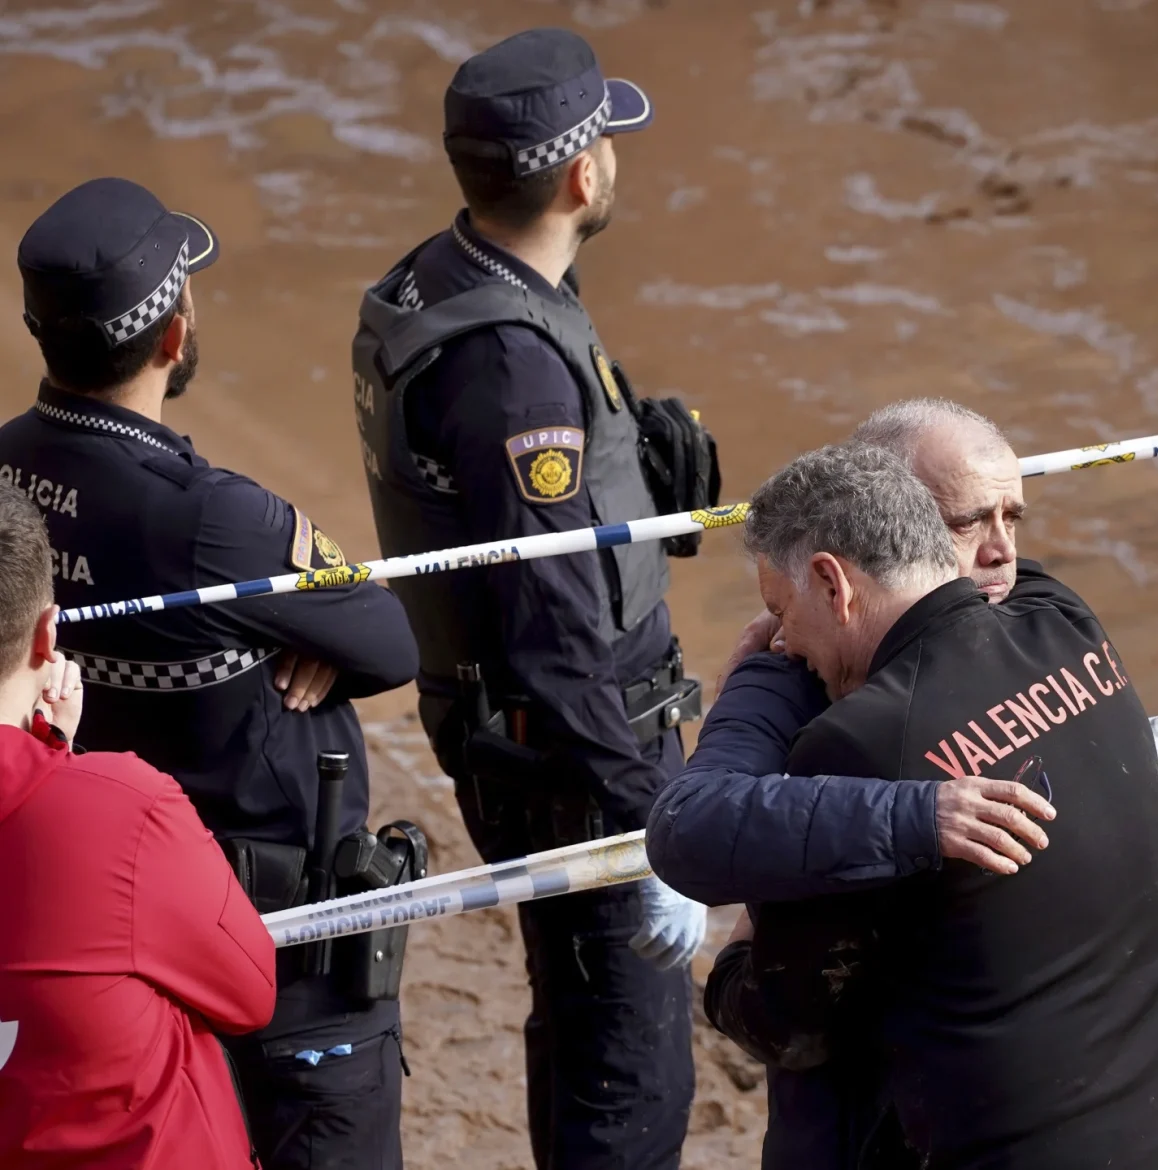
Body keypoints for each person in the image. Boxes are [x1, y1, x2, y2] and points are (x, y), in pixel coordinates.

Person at [0, 177, 421, 1170]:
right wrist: (286, 630)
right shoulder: (219, 522)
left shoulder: (4, 478)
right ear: (174, 335)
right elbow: (392, 645)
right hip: (267, 929)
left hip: (75, 901)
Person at [351, 28, 711, 1170]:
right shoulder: (509, 367)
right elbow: (552, 625)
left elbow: (502, 516)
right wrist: (652, 831)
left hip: (517, 729)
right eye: (606, 138)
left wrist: (631, 452)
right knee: (629, 1063)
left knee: (581, 1019)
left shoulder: (454, 275)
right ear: (579, 174)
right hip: (575, 751)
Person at [646, 399, 1054, 1169]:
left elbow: (773, 1010)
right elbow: (693, 828)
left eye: (1015, 516)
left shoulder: (1035, 627)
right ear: (884, 523)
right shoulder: (809, 667)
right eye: (968, 521)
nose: (1003, 552)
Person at [741, 442, 1158, 1169]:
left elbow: (792, 1021)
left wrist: (734, 955)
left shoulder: (855, 744)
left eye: (780, 610)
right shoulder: (1065, 623)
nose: (784, 641)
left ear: (831, 583)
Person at [0, 482, 276, 1170]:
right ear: (46, 636)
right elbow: (250, 992)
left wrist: (49, 757)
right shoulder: (124, 808)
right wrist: (64, 765)